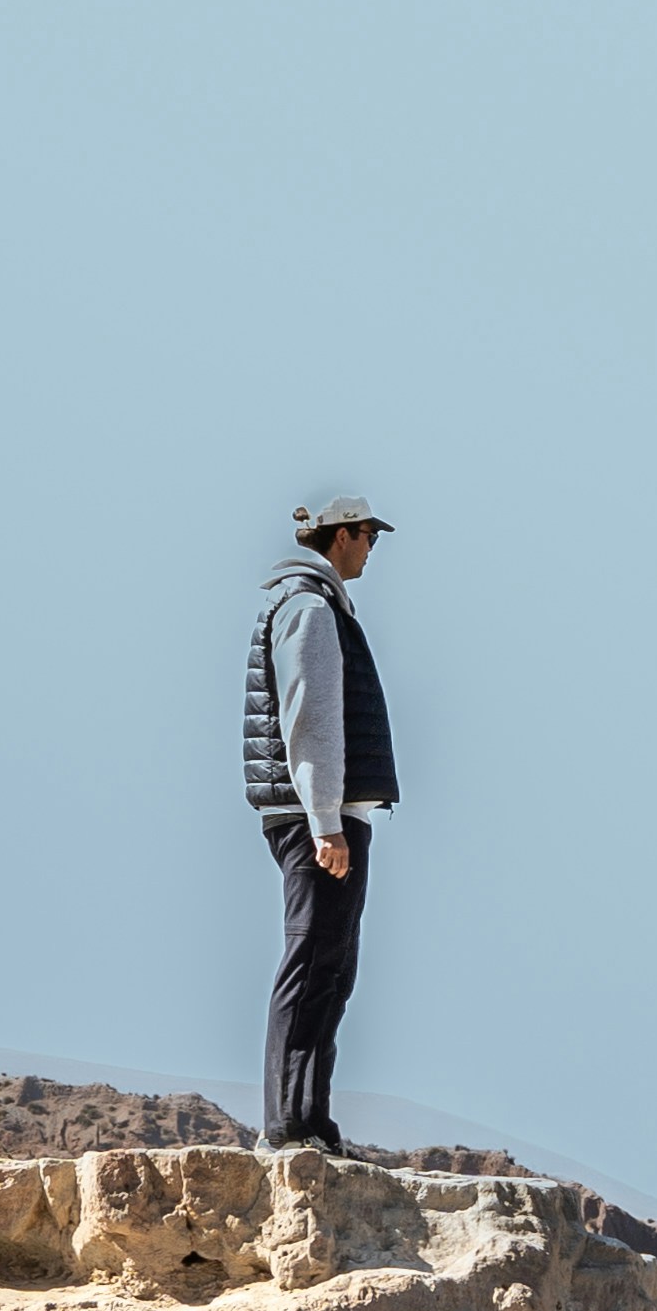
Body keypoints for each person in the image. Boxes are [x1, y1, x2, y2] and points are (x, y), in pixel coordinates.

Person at [241, 490, 396, 1151]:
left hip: (321, 813)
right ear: (344, 536)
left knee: (332, 967)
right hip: (317, 820)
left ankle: (310, 1120)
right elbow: (311, 719)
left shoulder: (316, 602)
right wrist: (325, 822)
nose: (372, 549)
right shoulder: (308, 607)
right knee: (312, 964)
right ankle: (288, 1126)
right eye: (370, 537)